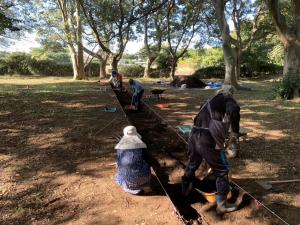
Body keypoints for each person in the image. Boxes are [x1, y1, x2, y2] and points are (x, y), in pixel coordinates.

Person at [181, 85, 240, 214]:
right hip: (208, 140)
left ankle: (184, 190)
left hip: (194, 135)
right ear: (230, 94)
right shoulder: (228, 100)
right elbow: (234, 111)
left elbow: (198, 118)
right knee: (222, 170)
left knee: (192, 164)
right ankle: (222, 205)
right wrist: (235, 133)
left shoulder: (209, 101)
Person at [115, 125, 151, 194]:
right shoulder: (142, 148)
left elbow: (119, 164)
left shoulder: (120, 149)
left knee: (117, 176)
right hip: (145, 179)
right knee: (145, 169)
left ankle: (129, 188)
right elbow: (149, 162)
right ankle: (146, 187)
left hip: (128, 184)